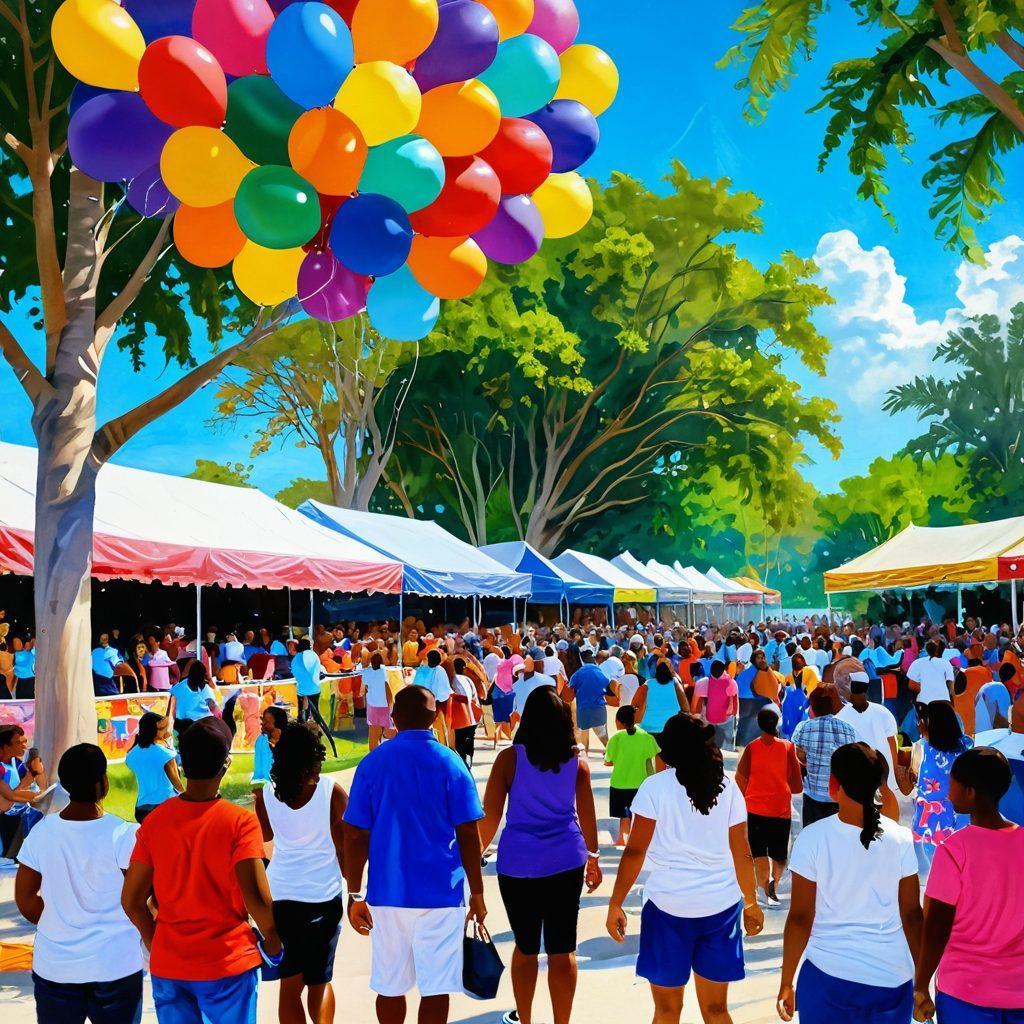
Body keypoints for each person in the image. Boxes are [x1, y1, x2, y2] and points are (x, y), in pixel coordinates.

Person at [606, 713, 763, 1024]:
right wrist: (751, 901)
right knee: (717, 1011)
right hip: (721, 908)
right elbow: (742, 852)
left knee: (666, 1011)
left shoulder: (654, 788)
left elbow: (635, 851)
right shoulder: (729, 788)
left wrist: (615, 903)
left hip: (667, 908)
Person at [121, 717, 280, 1024]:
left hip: (170, 965)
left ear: (182, 762)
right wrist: (274, 940)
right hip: (227, 963)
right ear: (226, 764)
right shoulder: (240, 822)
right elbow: (256, 898)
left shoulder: (154, 821)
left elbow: (131, 901)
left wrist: (157, 944)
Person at [343, 686, 486, 1024]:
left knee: (390, 986)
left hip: (388, 892)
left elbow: (354, 832)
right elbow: (468, 832)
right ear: (436, 716)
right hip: (442, 893)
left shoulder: (373, 763)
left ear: (393, 718)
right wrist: (477, 893)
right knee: (436, 987)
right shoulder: (452, 762)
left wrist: (354, 892)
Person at [479, 687, 601, 1024]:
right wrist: (594, 858)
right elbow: (587, 816)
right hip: (566, 860)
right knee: (563, 949)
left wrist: (470, 859)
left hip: (519, 863)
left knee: (526, 947)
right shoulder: (578, 762)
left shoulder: (509, 758)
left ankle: (527, 1019)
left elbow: (489, 817)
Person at [777, 742, 922, 1024]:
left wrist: (787, 981)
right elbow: (913, 916)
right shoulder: (901, 838)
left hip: (826, 979)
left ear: (834, 784)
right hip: (892, 981)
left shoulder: (812, 838)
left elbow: (800, 918)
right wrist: (922, 983)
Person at [15, 743, 143, 1024]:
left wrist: (60, 922)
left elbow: (25, 899)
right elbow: (141, 899)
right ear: (103, 781)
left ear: (65, 784)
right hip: (117, 966)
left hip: (56, 967)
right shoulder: (127, 834)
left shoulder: (42, 832)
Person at [914, 747, 1024, 1024]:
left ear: (970, 792)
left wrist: (920, 985)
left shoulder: (953, 850)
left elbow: (936, 925)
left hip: (965, 993)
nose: (949, 792)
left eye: (953, 784)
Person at [255, 722, 347, 1024]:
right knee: (320, 982)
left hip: (282, 896)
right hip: (324, 895)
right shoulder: (331, 792)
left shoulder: (267, 794)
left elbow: (266, 836)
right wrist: (356, 889)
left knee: (290, 984)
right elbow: (346, 847)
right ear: (314, 757)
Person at [735, 707, 802, 906]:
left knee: (759, 852)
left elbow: (741, 780)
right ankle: (774, 881)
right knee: (779, 854)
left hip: (755, 808)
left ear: (759, 723)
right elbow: (797, 786)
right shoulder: (788, 747)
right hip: (780, 808)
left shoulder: (752, 748)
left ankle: (764, 889)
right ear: (777, 723)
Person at [897, 701, 973, 871]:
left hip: (929, 825)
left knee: (935, 874)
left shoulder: (919, 749)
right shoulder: (967, 745)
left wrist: (901, 768)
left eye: (921, 720)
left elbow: (907, 789)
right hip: (961, 819)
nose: (918, 724)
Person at [836, 670, 900, 817]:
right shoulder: (884, 712)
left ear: (851, 689)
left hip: (855, 776)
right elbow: (893, 745)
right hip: (882, 774)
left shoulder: (840, 716)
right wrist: (894, 775)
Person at [792, 687, 858, 826]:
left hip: (813, 797)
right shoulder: (849, 729)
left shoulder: (803, 728)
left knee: (812, 838)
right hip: (839, 797)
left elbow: (800, 757)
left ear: (812, 707)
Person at [604, 704, 659, 847]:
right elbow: (653, 755)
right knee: (639, 813)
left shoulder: (616, 738)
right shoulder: (646, 737)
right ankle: (637, 840)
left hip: (619, 783)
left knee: (624, 815)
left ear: (620, 722)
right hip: (640, 783)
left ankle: (622, 839)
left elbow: (608, 762)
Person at [125, 712, 182, 823]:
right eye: (163, 728)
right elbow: (177, 784)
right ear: (154, 731)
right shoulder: (166, 754)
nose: (166, 731)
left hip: (142, 808)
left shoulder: (131, 755)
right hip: (165, 806)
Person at [0, 724, 45, 865]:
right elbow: (8, 799)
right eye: (19, 743)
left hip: (18, 817)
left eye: (25, 742)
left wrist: (38, 772)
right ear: (6, 747)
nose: (24, 746)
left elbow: (41, 788)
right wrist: (30, 777)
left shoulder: (16, 763)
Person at [633, 658, 690, 749]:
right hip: (670, 729)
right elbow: (686, 708)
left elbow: (634, 705)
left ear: (656, 671)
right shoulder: (675, 682)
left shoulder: (647, 683)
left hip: (647, 728)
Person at [565, 649, 612, 754]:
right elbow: (608, 685)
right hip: (599, 707)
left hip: (583, 708)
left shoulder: (578, 673)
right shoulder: (600, 671)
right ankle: (610, 753)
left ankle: (583, 757)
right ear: (594, 660)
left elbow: (569, 688)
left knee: (583, 734)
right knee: (602, 733)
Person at [692, 659, 740, 752]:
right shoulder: (731, 683)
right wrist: (734, 714)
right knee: (726, 747)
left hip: (708, 717)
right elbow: (735, 703)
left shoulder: (702, 682)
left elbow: (694, 705)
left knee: (707, 745)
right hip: (726, 718)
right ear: (724, 670)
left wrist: (694, 716)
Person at [168, 660, 218, 738]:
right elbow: (212, 707)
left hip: (177, 726)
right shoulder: (203, 689)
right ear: (203, 676)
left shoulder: (177, 688)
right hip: (196, 726)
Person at [449, 656, 482, 768]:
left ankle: (462, 765)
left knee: (459, 744)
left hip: (458, 719)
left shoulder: (451, 680)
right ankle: (468, 764)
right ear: (463, 668)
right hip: (471, 718)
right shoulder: (468, 680)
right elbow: (475, 700)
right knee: (469, 742)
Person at [362, 651, 396, 750]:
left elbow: (363, 689)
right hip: (384, 705)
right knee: (387, 731)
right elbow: (388, 690)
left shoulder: (367, 672)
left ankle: (374, 757)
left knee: (374, 734)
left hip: (374, 706)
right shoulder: (384, 671)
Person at [908, 639, 956, 705]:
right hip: (943, 703)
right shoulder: (947, 664)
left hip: (924, 703)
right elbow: (951, 688)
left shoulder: (917, 663)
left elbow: (912, 686)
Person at [252, 705, 288, 788]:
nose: (263, 723)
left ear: (278, 723)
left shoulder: (286, 740)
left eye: (267, 721)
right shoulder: (261, 740)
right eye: (263, 720)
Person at [973, 662, 1014, 733]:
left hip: (979, 735)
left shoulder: (989, 686)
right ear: (1011, 679)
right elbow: (1001, 720)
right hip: (990, 736)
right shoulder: (1000, 689)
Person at [91, 633, 123, 697]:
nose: (104, 640)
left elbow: (119, 662)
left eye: (106, 639)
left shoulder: (113, 650)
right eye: (102, 639)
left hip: (111, 683)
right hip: (99, 684)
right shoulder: (95, 651)